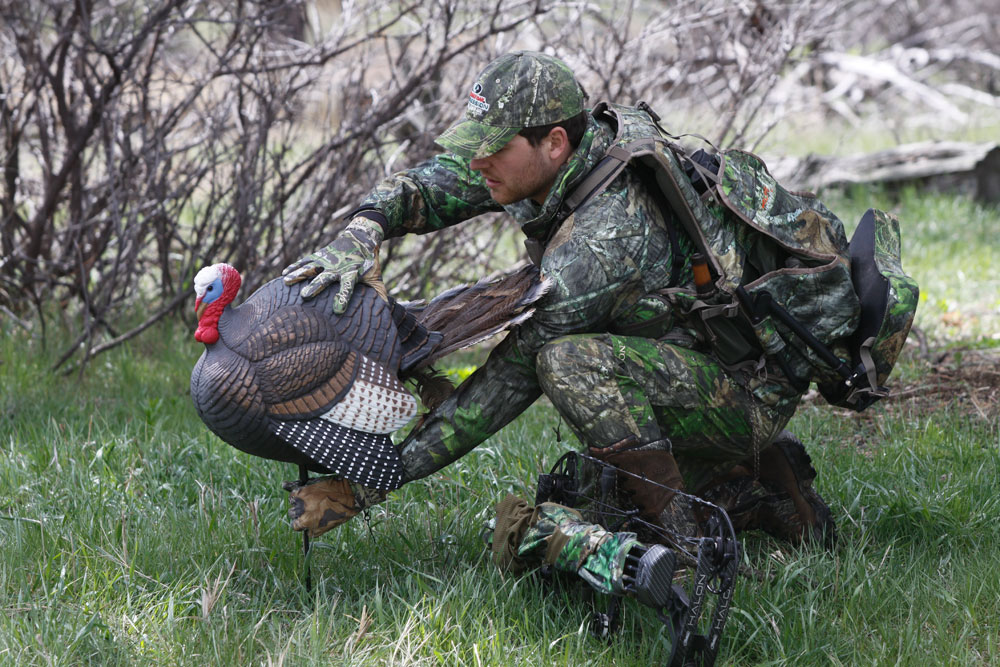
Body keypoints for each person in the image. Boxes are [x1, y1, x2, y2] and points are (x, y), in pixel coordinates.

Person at [281, 51, 834, 594]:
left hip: (743, 392)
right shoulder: (549, 160)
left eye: (491, 149)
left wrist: (375, 481)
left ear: (553, 143)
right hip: (688, 358)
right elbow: (432, 184)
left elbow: (505, 383)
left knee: (566, 365)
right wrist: (361, 233)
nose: (478, 163)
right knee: (586, 505)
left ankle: (689, 555)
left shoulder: (604, 239)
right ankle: (753, 485)